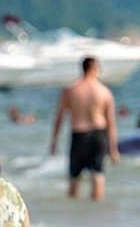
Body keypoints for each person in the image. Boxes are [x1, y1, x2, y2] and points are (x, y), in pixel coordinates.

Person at [50, 56, 118, 200]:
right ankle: (97, 214)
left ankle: (72, 217)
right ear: (95, 69)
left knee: (74, 178)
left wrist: (54, 142)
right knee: (98, 176)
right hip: (99, 135)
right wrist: (113, 148)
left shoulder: (71, 90)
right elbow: (111, 122)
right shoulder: (104, 91)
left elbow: (59, 118)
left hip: (79, 134)